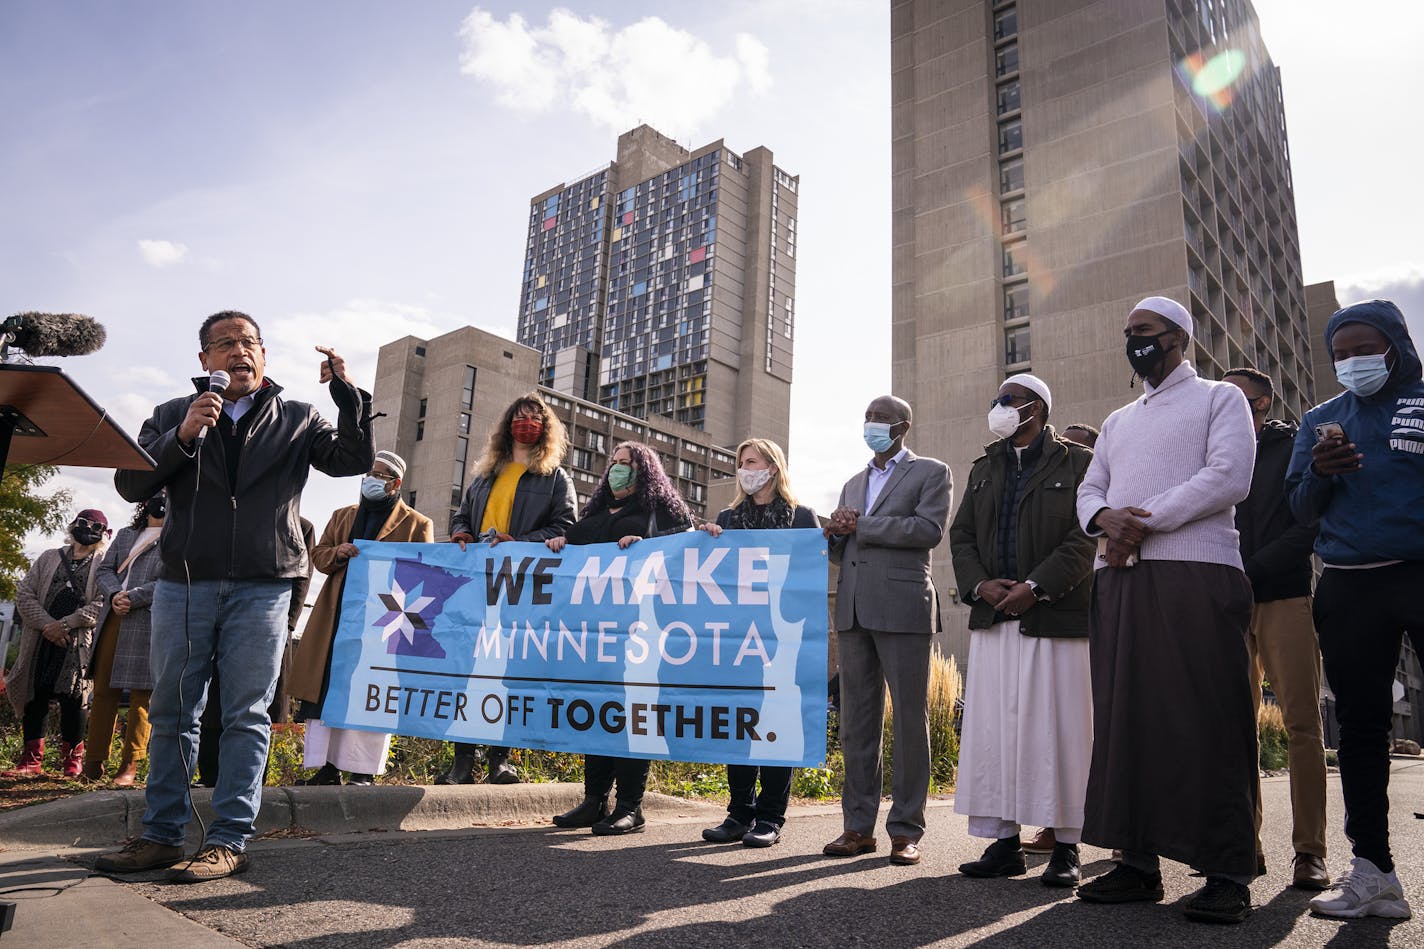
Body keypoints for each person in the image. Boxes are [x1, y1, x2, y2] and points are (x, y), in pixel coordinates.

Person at [95, 310, 373, 883]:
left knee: (247, 713)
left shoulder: (299, 417)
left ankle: (227, 839)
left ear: (264, 357)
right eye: (224, 344)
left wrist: (348, 397)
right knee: (174, 710)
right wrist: (183, 436)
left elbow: (353, 461)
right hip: (183, 583)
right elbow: (131, 482)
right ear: (204, 361)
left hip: (265, 584)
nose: (238, 352)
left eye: (249, 343)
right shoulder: (175, 414)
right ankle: (162, 833)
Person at [1073, 296, 1258, 924]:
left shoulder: (1218, 398)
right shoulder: (1119, 419)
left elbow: (1230, 476)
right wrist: (1105, 520)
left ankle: (1228, 870)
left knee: (1208, 715)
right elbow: (1089, 488)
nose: (1134, 343)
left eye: (1145, 333)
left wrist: (1141, 523)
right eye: (1128, 334)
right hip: (1119, 575)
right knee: (1128, 716)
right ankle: (1136, 862)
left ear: (1178, 338)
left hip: (1197, 571)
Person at [1287, 299, 1424, 920]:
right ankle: (1372, 872)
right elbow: (1298, 508)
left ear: (1395, 346)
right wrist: (1320, 473)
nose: (1352, 361)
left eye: (1365, 349)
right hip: (1347, 583)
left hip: (1419, 571)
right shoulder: (1320, 419)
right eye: (1341, 353)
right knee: (1362, 727)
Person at [950, 374, 1096, 887]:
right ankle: (1005, 844)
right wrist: (978, 584)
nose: (1001, 406)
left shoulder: (1078, 463)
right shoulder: (984, 468)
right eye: (998, 399)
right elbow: (962, 534)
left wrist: (1036, 586)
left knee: (1061, 732)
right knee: (995, 732)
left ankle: (1067, 848)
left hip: (1053, 618)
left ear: (1039, 408)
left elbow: (1085, 538)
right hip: (993, 616)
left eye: (1011, 400)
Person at [821, 396, 951, 867]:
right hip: (853, 610)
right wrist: (835, 533)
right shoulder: (853, 482)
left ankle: (905, 830)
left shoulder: (931, 472)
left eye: (881, 418)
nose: (872, 424)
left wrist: (863, 525)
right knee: (857, 723)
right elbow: (843, 550)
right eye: (868, 417)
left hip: (903, 607)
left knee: (910, 722)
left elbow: (928, 529)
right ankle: (857, 826)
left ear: (903, 425)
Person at [548, 442, 694, 835]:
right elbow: (575, 554)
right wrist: (561, 544)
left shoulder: (663, 512)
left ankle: (631, 805)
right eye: (613, 463)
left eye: (625, 463)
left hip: (641, 631)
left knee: (633, 715)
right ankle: (594, 800)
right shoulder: (594, 512)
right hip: (595, 632)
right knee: (598, 710)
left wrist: (649, 548)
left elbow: (687, 551)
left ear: (643, 470)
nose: (616, 469)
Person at [1223, 367, 1329, 891]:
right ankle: (1246, 844)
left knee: (1302, 726)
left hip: (1283, 595)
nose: (1230, 406)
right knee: (1234, 727)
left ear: (1265, 402)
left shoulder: (1295, 446)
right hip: (1226, 604)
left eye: (1241, 398)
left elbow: (1306, 526)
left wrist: (1249, 572)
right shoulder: (1214, 450)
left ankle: (1310, 852)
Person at [437, 393, 576, 786]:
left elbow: (566, 528)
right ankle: (462, 761)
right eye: (519, 416)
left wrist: (520, 543)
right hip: (476, 585)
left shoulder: (554, 479)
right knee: (468, 668)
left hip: (519, 587)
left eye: (535, 417)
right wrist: (460, 531)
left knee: (511, 671)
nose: (526, 422)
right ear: (507, 424)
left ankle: (501, 759)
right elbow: (462, 514)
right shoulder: (486, 473)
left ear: (546, 429)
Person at [697, 438, 819, 848]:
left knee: (777, 722)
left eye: (751, 461)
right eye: (740, 462)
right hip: (739, 637)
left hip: (784, 636)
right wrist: (710, 539)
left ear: (772, 466)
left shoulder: (801, 518)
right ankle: (738, 813)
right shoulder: (728, 519)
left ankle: (769, 817)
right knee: (740, 722)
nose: (744, 468)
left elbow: (811, 574)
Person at [289, 451, 432, 786]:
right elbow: (319, 556)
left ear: (395, 483)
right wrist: (337, 553)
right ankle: (326, 768)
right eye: (368, 472)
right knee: (328, 688)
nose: (370, 479)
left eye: (379, 474)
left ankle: (362, 771)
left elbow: (426, 573)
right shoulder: (343, 516)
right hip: (336, 618)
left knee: (370, 691)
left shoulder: (417, 524)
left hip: (383, 624)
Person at [196, 517, 313, 788]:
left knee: (256, 706)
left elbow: (302, 578)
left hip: (269, 623)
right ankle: (210, 774)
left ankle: (248, 779)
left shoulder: (301, 526)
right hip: (221, 618)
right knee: (213, 702)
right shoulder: (229, 515)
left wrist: (287, 623)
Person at [3, 511, 110, 778]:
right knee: (35, 693)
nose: (88, 529)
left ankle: (72, 763)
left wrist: (65, 625)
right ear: (72, 525)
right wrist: (48, 626)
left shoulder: (105, 564)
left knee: (74, 698)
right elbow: (24, 594)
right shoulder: (48, 557)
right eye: (83, 523)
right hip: (40, 639)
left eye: (96, 527)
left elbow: (102, 602)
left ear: (104, 533)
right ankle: (31, 761)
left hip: (77, 643)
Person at [82, 496, 165, 786]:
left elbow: (170, 580)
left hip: (147, 620)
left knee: (143, 695)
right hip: (113, 615)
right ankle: (93, 761)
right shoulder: (127, 535)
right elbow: (104, 570)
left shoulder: (178, 538)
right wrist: (115, 593)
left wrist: (134, 597)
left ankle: (129, 765)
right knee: (104, 690)